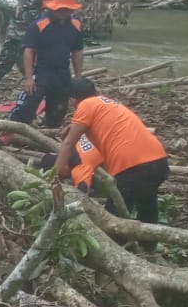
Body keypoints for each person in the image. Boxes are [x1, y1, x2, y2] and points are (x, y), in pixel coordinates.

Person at [56, 79, 169, 223]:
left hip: (132, 167)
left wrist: (54, 175)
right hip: (159, 161)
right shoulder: (107, 103)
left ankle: (116, 243)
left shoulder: (84, 105)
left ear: (73, 100)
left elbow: (69, 143)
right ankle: (147, 244)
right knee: (146, 205)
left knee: (112, 219)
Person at [8, 0, 85, 127]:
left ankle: (50, 129)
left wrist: (78, 75)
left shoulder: (76, 25)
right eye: (59, 9)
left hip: (62, 71)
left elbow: (77, 51)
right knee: (28, 104)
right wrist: (28, 77)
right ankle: (13, 128)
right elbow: (28, 51)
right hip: (41, 70)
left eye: (66, 10)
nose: (62, 13)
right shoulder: (38, 25)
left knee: (58, 108)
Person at [38, 135, 103, 193]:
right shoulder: (72, 141)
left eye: (60, 176)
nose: (62, 178)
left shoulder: (79, 167)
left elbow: (82, 192)